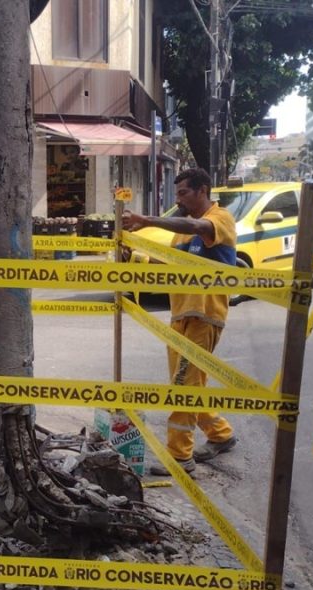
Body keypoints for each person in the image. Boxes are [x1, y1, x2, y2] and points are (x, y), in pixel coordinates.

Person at [122, 167, 238, 476]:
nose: (179, 199)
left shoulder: (219, 219)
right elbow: (167, 263)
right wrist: (133, 255)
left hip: (204, 316)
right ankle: (220, 434)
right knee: (189, 384)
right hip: (181, 315)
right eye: (177, 194)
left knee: (183, 388)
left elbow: (196, 225)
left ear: (202, 191)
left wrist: (146, 220)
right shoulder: (181, 232)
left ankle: (180, 457)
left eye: (184, 193)